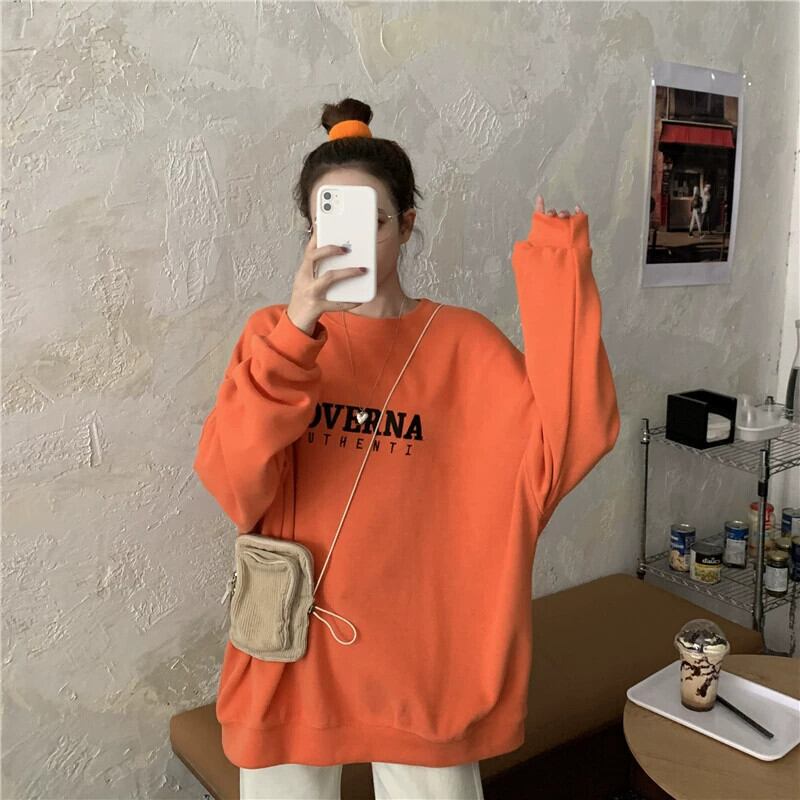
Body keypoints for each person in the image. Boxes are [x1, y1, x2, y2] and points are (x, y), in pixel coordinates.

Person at [193, 97, 621, 800]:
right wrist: (298, 330)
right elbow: (233, 483)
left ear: (408, 225)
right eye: (329, 221)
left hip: (428, 672)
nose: (352, 242)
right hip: (291, 657)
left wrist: (558, 264)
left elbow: (572, 434)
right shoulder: (275, 338)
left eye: (375, 221)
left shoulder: (465, 346)